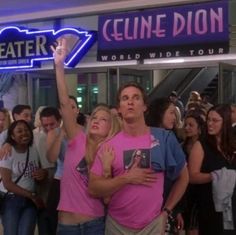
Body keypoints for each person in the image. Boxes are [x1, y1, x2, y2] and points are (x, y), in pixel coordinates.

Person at [89, 82, 189, 235]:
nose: (130, 102)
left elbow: (184, 177)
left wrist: (167, 211)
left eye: (136, 98)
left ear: (144, 106)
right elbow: (94, 189)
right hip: (117, 226)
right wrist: (126, 178)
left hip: (153, 224)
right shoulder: (108, 146)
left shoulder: (164, 138)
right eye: (125, 98)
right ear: (119, 108)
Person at [52, 38, 121, 235]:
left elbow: (108, 198)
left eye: (104, 119)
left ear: (112, 127)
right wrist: (59, 67)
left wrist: (107, 168)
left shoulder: (110, 151)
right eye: (95, 117)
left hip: (95, 224)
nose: (97, 120)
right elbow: (65, 105)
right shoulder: (77, 140)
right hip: (66, 224)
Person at [188, 104, 236, 235]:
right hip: (209, 207)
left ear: (225, 122)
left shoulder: (232, 145)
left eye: (215, 121)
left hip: (231, 206)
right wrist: (215, 176)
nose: (210, 123)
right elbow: (191, 176)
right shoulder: (201, 145)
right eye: (208, 119)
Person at [0, 120, 45, 235]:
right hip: (11, 200)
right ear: (12, 136)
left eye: (26, 130)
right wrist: (31, 195)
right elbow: (7, 183)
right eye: (19, 131)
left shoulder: (34, 150)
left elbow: (40, 171)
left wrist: (42, 173)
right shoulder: (8, 152)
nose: (24, 133)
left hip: (30, 201)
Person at [181, 113, 206, 235]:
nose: (187, 128)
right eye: (185, 125)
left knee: (194, 225)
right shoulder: (181, 146)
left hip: (199, 191)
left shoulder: (205, 147)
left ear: (199, 128)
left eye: (191, 125)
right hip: (184, 191)